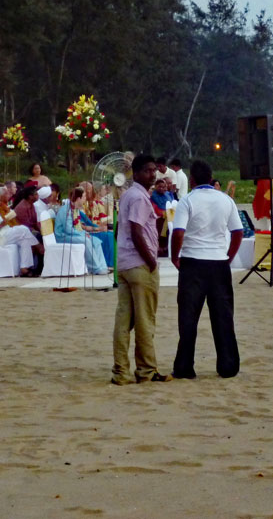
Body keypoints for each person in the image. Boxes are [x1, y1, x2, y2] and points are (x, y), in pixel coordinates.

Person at [169, 159, 243, 379]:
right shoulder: (226, 200)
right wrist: (228, 256)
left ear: (191, 180)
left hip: (193, 262)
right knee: (223, 316)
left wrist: (175, 256)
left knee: (188, 317)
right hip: (218, 263)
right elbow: (238, 231)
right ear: (211, 179)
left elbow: (179, 232)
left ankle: (184, 366)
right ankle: (228, 365)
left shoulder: (187, 200)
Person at [111, 153, 172, 385]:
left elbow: (120, 230)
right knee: (145, 319)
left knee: (124, 320)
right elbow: (136, 231)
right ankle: (146, 370)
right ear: (135, 173)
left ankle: (120, 371)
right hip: (139, 264)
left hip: (126, 263)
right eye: (147, 170)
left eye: (154, 170)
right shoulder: (137, 197)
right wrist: (151, 260)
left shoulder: (129, 196)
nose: (152, 174)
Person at [0, 189, 38, 276]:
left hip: (5, 233)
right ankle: (38, 246)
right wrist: (0, 226)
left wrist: (4, 222)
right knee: (23, 229)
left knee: (25, 240)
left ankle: (24, 268)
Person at [55, 188, 108, 274]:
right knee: (86, 240)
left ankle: (102, 267)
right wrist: (82, 234)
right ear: (78, 198)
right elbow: (68, 230)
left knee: (96, 241)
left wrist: (84, 233)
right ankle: (95, 268)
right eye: (83, 197)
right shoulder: (66, 210)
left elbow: (77, 227)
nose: (85, 199)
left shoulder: (75, 209)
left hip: (72, 235)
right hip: (63, 237)